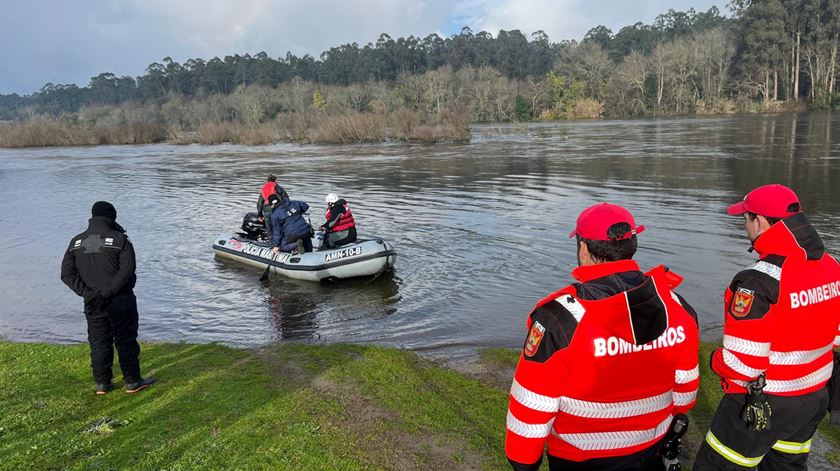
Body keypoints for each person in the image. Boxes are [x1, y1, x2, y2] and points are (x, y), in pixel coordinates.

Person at [505, 202, 700, 471]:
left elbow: (533, 402)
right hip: (651, 450)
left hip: (580, 459)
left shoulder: (560, 318)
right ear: (633, 245)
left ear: (583, 248)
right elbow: (685, 391)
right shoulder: (676, 306)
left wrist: (523, 463)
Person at [694, 184, 840, 471]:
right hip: (813, 397)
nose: (746, 225)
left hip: (762, 401)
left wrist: (714, 362)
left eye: (746, 218)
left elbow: (742, 363)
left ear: (759, 221)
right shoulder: (830, 265)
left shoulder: (758, 282)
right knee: (787, 464)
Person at [60, 201, 155, 395]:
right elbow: (127, 271)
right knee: (126, 340)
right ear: (112, 217)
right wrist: (109, 292)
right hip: (120, 299)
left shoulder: (76, 242)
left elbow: (67, 275)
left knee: (98, 341)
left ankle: (102, 383)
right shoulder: (120, 239)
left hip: (93, 302)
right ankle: (132, 381)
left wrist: (87, 293)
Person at [256, 174, 289, 241]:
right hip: (277, 209)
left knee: (270, 231)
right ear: (275, 180)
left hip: (267, 210)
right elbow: (286, 198)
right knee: (279, 228)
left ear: (267, 181)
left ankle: (271, 246)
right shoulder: (277, 187)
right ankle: (283, 244)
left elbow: (259, 203)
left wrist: (260, 215)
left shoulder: (263, 188)